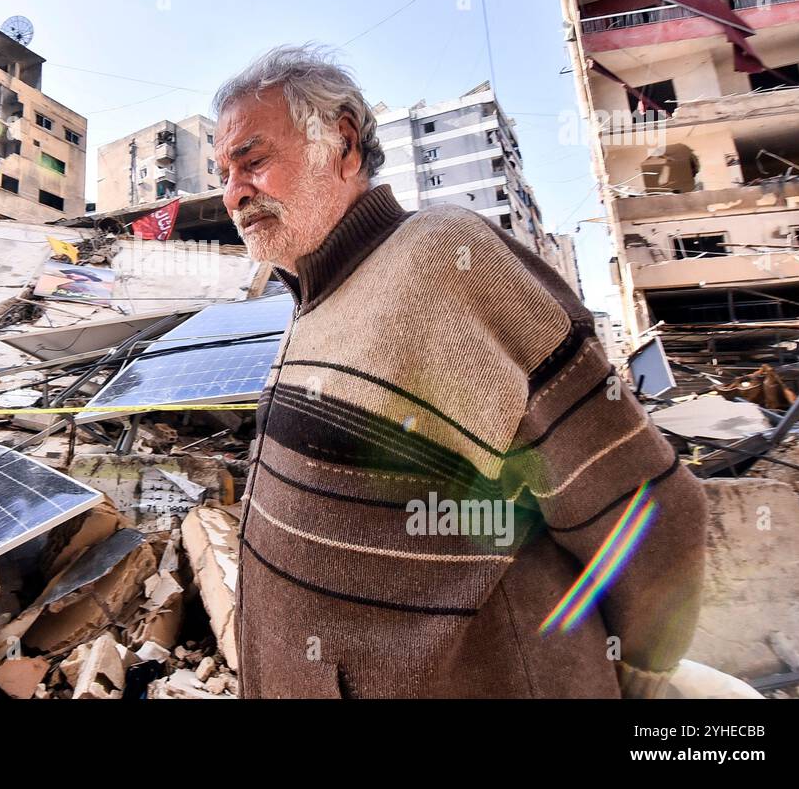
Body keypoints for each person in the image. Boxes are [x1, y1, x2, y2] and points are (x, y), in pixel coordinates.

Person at [211, 45, 707, 698]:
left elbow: (647, 511)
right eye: (223, 172)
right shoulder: (311, 300)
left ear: (344, 144)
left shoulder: (445, 259)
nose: (233, 192)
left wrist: (636, 674)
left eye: (252, 161)